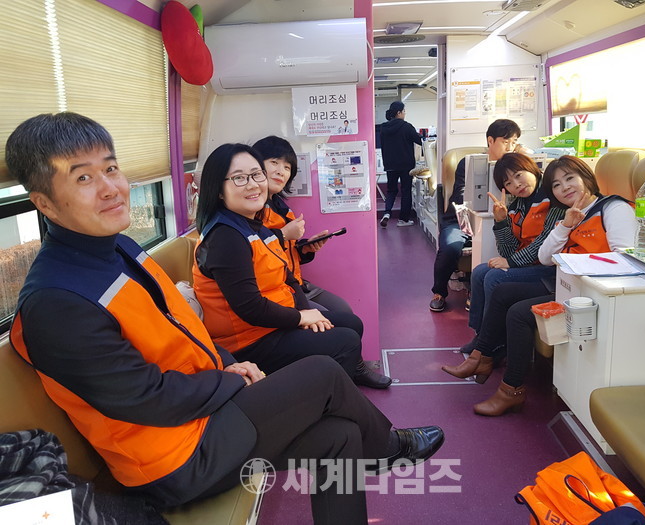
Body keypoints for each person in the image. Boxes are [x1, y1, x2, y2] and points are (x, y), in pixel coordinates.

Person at [6, 112, 444, 523]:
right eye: (83, 177)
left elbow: (182, 327)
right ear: (45, 203)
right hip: (172, 461)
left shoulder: (119, 248)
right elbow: (145, 399)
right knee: (323, 373)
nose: (110, 188)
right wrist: (230, 379)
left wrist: (227, 362)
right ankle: (388, 447)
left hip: (203, 418)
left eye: (111, 168)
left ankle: (374, 452)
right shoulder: (55, 302)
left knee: (340, 435)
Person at [441, 155, 635, 416]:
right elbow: (544, 255)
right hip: (568, 284)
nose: (564, 188)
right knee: (499, 288)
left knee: (516, 310)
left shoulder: (612, 208)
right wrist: (508, 222)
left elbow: (625, 259)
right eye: (557, 185)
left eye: (570, 179)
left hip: (591, 291)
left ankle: (508, 387)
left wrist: (571, 262)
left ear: (587, 177)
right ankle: (482, 355)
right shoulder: (563, 213)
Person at [193, 143, 392, 389]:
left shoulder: (252, 224)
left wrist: (306, 313)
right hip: (249, 341)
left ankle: (351, 374)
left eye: (256, 175)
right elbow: (250, 308)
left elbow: (286, 276)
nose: (253, 184)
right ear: (219, 190)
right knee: (346, 340)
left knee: (352, 323)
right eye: (239, 178)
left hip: (270, 324)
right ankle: (332, 395)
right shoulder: (225, 238)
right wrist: (300, 317)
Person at [457, 152, 565, 353]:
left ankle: (493, 342)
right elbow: (508, 250)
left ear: (532, 168)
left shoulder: (552, 198)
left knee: (494, 277)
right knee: (480, 272)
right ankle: (481, 335)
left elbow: (545, 242)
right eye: (508, 183)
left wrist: (511, 262)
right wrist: (501, 222)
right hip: (530, 266)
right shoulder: (516, 205)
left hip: (550, 268)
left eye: (518, 175)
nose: (516, 184)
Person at [429, 119, 524, 313]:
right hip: (461, 220)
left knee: (505, 245)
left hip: (499, 219)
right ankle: (439, 292)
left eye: (514, 142)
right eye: (506, 141)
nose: (510, 147)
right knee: (450, 247)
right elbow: (460, 195)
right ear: (491, 140)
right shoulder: (469, 163)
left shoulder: (515, 167)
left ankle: (477, 290)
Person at [252, 135, 353, 313]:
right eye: (274, 162)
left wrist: (304, 249)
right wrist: (283, 234)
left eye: (287, 167)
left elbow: (283, 253)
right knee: (340, 319)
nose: (281, 171)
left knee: (343, 310)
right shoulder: (251, 207)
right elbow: (252, 250)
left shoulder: (281, 207)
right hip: (274, 291)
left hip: (296, 283)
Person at [379, 101, 422, 228]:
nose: (405, 113)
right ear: (399, 112)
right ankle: (403, 220)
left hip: (390, 165)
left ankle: (387, 213)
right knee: (405, 191)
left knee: (391, 190)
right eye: (404, 111)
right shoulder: (406, 127)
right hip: (406, 166)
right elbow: (419, 141)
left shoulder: (383, 128)